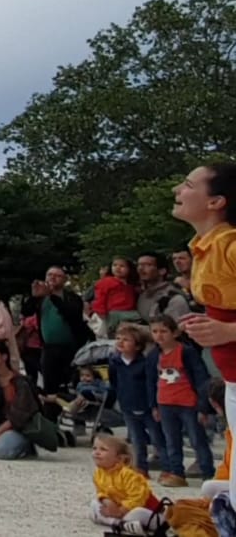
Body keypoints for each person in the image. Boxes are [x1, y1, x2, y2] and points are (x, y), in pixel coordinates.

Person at [172, 164, 236, 510]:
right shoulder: (205, 248)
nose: (177, 191)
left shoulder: (230, 246)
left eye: (187, 184)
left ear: (216, 202)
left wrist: (227, 330)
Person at [149, 314, 213, 486]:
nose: (159, 335)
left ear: (175, 333)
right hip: (165, 403)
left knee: (197, 440)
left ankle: (208, 473)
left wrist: (203, 406)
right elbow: (151, 381)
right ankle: (177, 473)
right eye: (155, 331)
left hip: (188, 403)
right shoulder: (154, 355)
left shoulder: (186, 352)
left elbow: (201, 379)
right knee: (172, 440)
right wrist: (153, 405)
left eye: (164, 331)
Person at [108, 322, 163, 474]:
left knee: (157, 438)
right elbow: (114, 382)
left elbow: (151, 385)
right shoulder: (114, 362)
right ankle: (141, 469)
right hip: (127, 406)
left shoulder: (144, 364)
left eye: (126, 340)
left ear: (138, 346)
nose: (120, 342)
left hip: (147, 406)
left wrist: (154, 405)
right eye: (118, 338)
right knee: (137, 440)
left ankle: (168, 468)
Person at [28, 267, 91, 394]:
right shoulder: (41, 299)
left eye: (57, 276)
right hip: (48, 348)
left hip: (70, 348)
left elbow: (72, 315)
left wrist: (52, 296)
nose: (52, 277)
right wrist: (33, 296)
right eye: (49, 274)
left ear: (64, 280)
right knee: (50, 387)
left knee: (69, 384)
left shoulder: (72, 297)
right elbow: (27, 312)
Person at [89, 434, 159, 529]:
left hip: (146, 509)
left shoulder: (129, 474)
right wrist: (107, 501)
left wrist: (121, 511)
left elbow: (138, 498)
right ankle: (119, 523)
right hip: (117, 510)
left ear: (119, 458)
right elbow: (101, 491)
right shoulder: (99, 474)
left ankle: (117, 522)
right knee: (94, 504)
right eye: (94, 448)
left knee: (137, 513)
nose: (97, 452)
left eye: (103, 449)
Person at [94, 256, 143, 336]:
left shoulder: (130, 285)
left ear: (129, 269)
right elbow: (100, 298)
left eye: (122, 266)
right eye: (115, 265)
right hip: (114, 314)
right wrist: (101, 313)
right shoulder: (107, 281)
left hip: (128, 313)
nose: (118, 268)